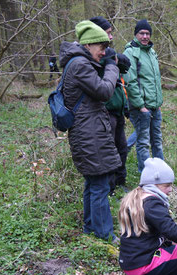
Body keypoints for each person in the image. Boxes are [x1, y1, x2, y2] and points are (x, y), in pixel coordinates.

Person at [59, 20, 120, 241]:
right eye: (100, 47)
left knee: (93, 183)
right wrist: (112, 67)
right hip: (89, 133)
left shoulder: (77, 63)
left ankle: (90, 228)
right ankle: (105, 235)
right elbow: (104, 91)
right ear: (88, 45)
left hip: (88, 131)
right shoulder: (80, 65)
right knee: (100, 184)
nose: (103, 52)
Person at [90, 16, 132, 192]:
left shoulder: (109, 52)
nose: (111, 37)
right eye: (108, 33)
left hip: (118, 109)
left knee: (122, 148)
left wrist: (114, 59)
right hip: (104, 110)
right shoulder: (91, 57)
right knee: (110, 150)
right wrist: (110, 60)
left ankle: (120, 181)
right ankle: (110, 187)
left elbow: (125, 63)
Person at [123, 19, 164, 173]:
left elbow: (155, 80)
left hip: (155, 106)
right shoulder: (130, 52)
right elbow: (130, 81)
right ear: (136, 34)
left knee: (157, 141)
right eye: (142, 33)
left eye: (147, 33)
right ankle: (146, 176)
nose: (145, 36)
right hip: (141, 108)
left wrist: (158, 102)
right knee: (143, 142)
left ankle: (160, 173)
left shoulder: (152, 52)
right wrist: (141, 106)